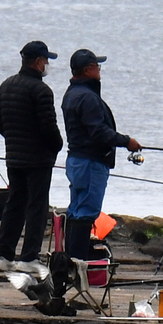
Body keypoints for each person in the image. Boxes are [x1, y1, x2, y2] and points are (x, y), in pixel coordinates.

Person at [60, 49, 142, 260]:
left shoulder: (71, 93)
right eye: (97, 66)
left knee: (76, 209)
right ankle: (77, 261)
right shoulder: (88, 98)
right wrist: (127, 141)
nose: (99, 70)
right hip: (90, 163)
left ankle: (69, 258)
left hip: (75, 160)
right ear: (88, 70)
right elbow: (98, 132)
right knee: (87, 211)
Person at [0, 41, 63, 277]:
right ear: (39, 62)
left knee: (15, 203)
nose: (47, 65)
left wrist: (14, 138)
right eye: (46, 61)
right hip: (38, 157)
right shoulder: (41, 91)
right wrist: (57, 145)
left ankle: (4, 254)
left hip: (13, 155)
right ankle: (29, 256)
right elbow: (48, 127)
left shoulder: (6, 86)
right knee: (37, 206)